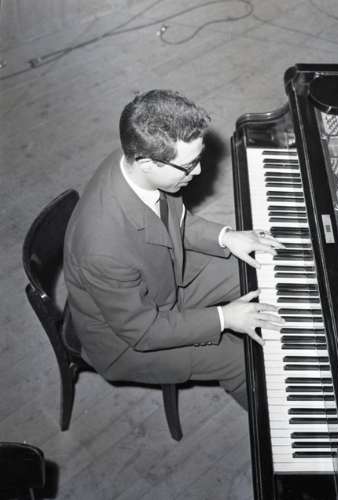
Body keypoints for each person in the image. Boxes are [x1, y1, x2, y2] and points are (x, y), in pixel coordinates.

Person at [63, 89, 285, 410]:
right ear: (147, 163)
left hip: (163, 278)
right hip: (127, 341)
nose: (198, 172)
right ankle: (279, 423)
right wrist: (225, 317)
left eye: (199, 158)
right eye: (188, 165)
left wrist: (226, 237)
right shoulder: (102, 249)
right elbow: (143, 332)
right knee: (238, 360)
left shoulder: (134, 161)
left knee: (260, 267)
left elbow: (173, 219)